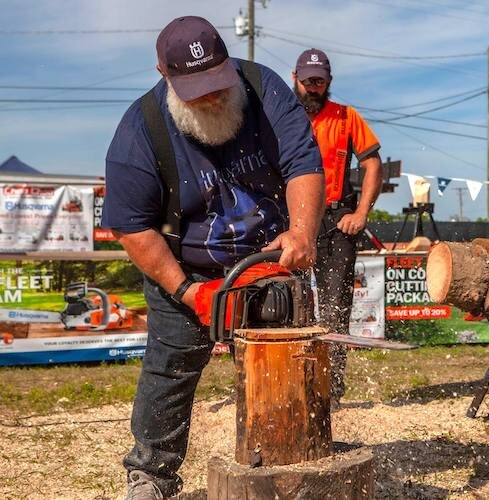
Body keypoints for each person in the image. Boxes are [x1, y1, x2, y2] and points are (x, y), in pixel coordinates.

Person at [102, 16, 324, 499]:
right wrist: (186, 290)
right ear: (164, 74)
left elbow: (303, 162)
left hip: (271, 259)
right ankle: (151, 475)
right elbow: (131, 224)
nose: (212, 98)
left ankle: (293, 462)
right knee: (171, 366)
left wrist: (303, 232)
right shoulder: (140, 130)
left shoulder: (265, 91)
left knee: (291, 361)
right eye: (197, 90)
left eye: (219, 84)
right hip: (188, 267)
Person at [292, 48, 383, 404]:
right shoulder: (281, 117)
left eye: (320, 80)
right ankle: (296, 383)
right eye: (307, 80)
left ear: (328, 82)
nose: (313, 87)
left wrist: (361, 213)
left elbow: (372, 164)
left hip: (337, 218)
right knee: (292, 302)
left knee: (335, 306)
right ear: (294, 78)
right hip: (293, 218)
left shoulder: (346, 117)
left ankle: (331, 390)